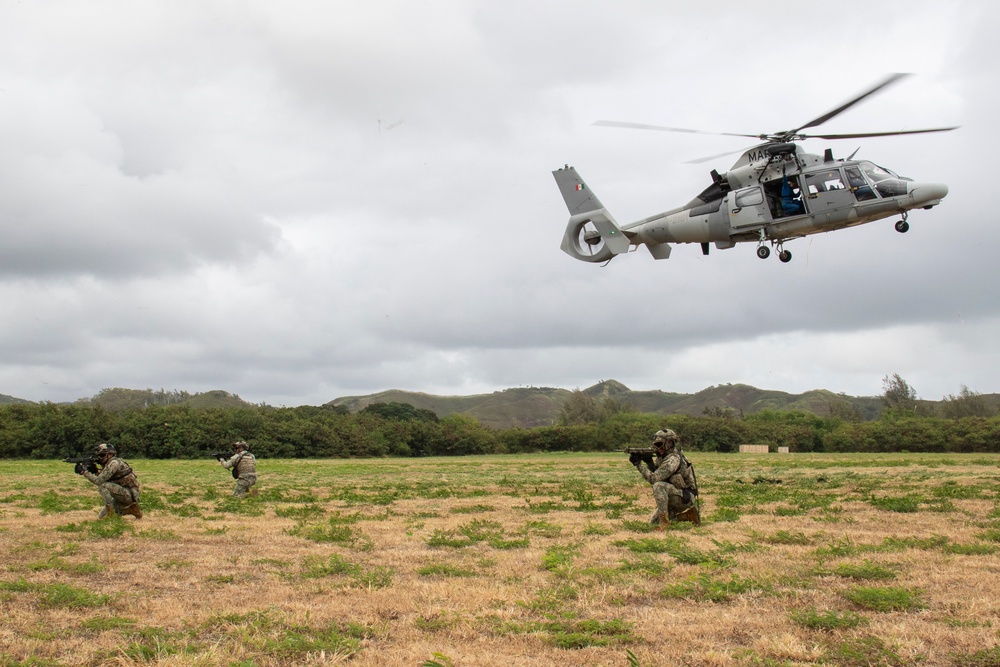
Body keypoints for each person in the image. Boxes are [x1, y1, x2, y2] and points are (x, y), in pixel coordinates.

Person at [630, 429, 699, 526]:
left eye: (659, 444)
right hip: (675, 493)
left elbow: (654, 479)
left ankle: (664, 523)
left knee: (658, 486)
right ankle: (688, 516)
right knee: (653, 523)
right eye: (656, 445)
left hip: (685, 496)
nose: (657, 448)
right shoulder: (663, 457)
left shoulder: (673, 459)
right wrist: (649, 463)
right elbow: (659, 474)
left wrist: (638, 465)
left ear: (669, 443)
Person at [77, 443, 142, 519]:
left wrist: (84, 472)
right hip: (124, 493)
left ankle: (111, 513)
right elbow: (105, 478)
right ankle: (133, 510)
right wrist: (95, 472)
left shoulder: (114, 463)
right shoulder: (110, 463)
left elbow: (99, 481)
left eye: (102, 455)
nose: (100, 458)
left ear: (110, 454)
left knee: (103, 486)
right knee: (101, 517)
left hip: (129, 494)